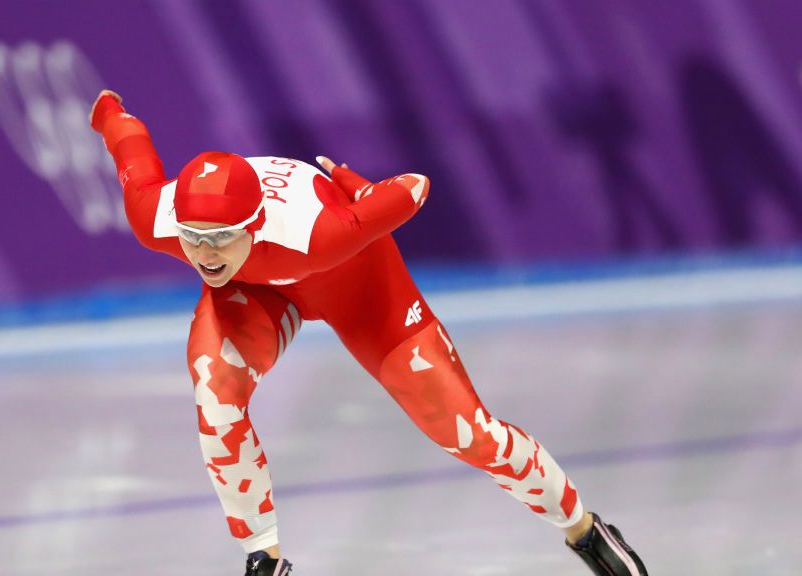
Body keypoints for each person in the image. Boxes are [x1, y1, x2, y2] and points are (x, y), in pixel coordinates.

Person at [90, 89, 648, 576]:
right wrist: (109, 110)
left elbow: (414, 186)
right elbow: (130, 145)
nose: (203, 253)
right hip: (258, 289)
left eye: (219, 238)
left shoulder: (322, 234)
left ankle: (585, 530)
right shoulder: (158, 219)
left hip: (358, 286)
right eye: (193, 237)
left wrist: (361, 193)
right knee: (216, 395)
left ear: (254, 224)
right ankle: (263, 559)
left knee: (467, 432)